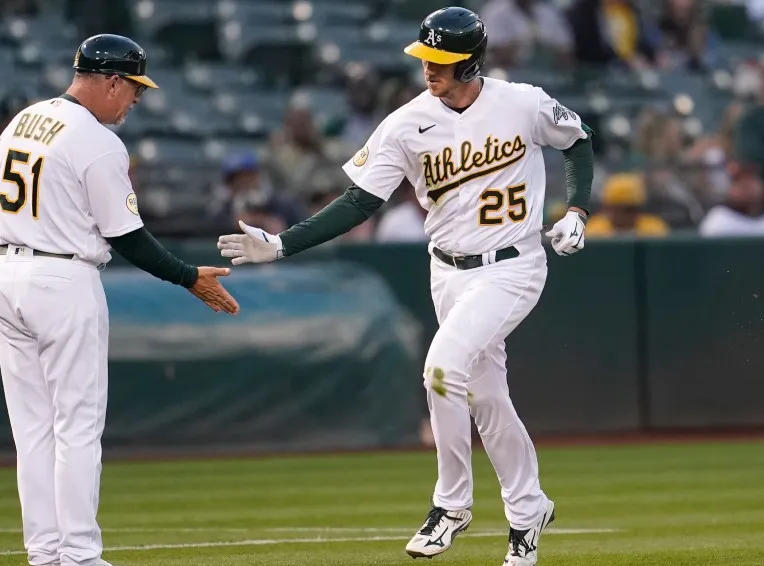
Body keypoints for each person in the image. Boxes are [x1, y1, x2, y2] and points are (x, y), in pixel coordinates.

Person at [217, 7, 594, 565]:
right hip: (447, 271)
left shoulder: (522, 101)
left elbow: (578, 139)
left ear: (470, 61)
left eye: (439, 60)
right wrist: (280, 245)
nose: (428, 68)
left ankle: (451, 504)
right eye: (424, 57)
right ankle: (528, 509)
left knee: (441, 369)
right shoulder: (405, 122)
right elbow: (358, 203)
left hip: (513, 265)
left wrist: (579, 210)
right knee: (487, 398)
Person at [0, 34, 239, 566]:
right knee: (76, 424)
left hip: (7, 272)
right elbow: (126, 236)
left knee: (32, 428)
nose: (135, 101)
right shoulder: (96, 140)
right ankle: (78, 555)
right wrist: (188, 276)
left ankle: (45, 553)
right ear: (110, 81)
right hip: (62, 279)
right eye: (133, 89)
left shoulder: (22, 121)